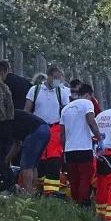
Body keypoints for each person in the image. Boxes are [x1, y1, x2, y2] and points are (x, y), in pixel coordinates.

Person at [26, 66, 71, 196]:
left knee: (54, 159)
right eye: (56, 77)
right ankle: (38, 187)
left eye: (60, 78)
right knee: (39, 158)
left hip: (54, 128)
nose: (58, 81)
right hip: (38, 128)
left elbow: (66, 111)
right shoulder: (35, 90)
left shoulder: (61, 92)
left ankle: (51, 191)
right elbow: (27, 109)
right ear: (49, 76)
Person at [60, 82, 101, 206]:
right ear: (89, 95)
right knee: (85, 178)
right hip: (84, 148)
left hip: (69, 150)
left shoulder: (66, 108)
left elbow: (62, 134)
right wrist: (99, 137)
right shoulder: (87, 103)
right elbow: (91, 121)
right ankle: (83, 203)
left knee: (73, 180)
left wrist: (64, 149)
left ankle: (75, 203)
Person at [8, 109, 50, 194]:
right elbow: (17, 145)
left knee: (26, 165)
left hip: (36, 132)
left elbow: (16, 145)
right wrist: (7, 159)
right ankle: (33, 191)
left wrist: (6, 159)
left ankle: (28, 193)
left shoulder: (7, 120)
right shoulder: (14, 116)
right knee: (33, 165)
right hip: (46, 129)